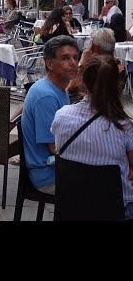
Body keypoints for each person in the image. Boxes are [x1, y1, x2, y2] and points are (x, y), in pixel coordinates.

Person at [51, 55, 133, 220]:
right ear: (118, 86)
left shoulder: (61, 116)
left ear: (83, 82)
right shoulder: (124, 126)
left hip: (72, 206)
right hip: (116, 210)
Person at [21, 36, 79, 195]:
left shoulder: (59, 89)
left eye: (75, 57)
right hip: (48, 175)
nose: (73, 63)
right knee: (109, 184)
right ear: (50, 64)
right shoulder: (46, 96)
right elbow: (55, 147)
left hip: (57, 167)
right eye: (65, 58)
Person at [66, 28, 127, 102]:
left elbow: (70, 88)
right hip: (110, 107)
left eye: (90, 43)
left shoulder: (95, 68)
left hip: (88, 106)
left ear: (95, 47)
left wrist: (82, 62)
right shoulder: (119, 66)